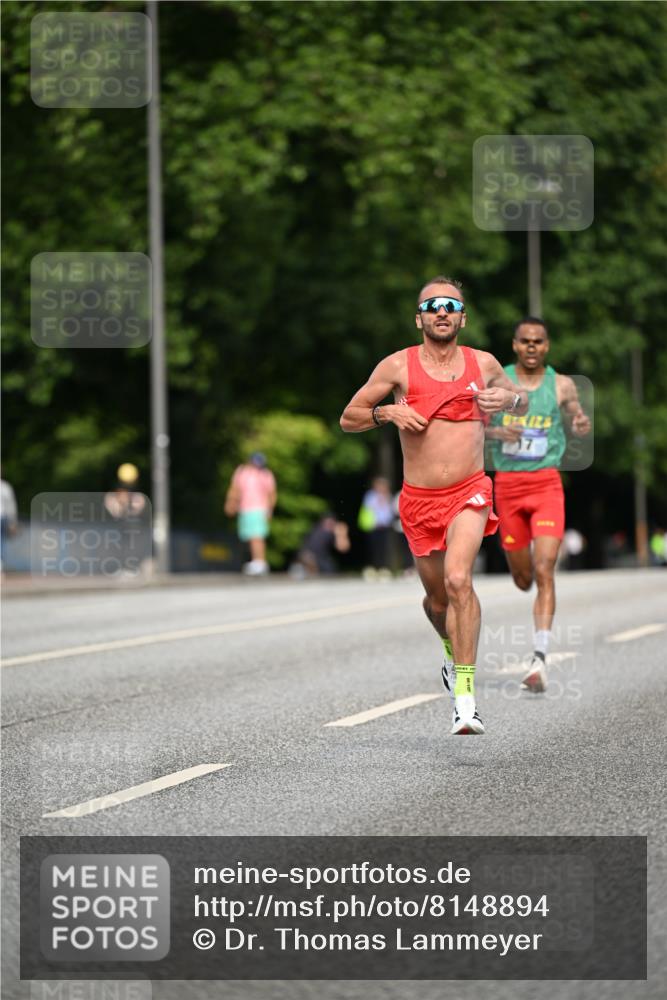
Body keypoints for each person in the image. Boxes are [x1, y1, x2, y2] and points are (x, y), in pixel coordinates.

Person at [340, 276, 528, 735]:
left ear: (462, 317)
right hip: (419, 501)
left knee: (460, 579)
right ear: (419, 317)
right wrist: (388, 412)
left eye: (450, 306)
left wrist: (512, 398)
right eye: (432, 306)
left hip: (470, 490)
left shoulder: (482, 363)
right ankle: (450, 655)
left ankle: (465, 699)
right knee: (437, 600)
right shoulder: (397, 367)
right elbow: (349, 418)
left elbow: (519, 406)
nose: (441, 312)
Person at [486, 317, 591, 692]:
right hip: (509, 487)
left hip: (546, 484)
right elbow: (473, 422)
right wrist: (498, 430)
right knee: (523, 579)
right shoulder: (498, 381)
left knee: (545, 569)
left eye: (539, 341)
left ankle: (539, 659)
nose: (532, 347)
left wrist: (578, 421)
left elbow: (576, 412)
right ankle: (525, 568)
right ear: (515, 344)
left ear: (547, 346)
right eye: (525, 341)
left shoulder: (560, 385)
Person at [224, 452, 277, 575]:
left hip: (259, 508)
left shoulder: (265, 474)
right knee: (249, 536)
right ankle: (256, 560)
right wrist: (231, 502)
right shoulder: (241, 472)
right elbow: (235, 489)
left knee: (257, 536)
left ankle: (260, 562)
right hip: (244, 509)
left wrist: (269, 509)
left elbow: (271, 493)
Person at [291, 513, 350, 577]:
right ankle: (303, 568)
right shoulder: (321, 530)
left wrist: (340, 534)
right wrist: (341, 534)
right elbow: (343, 548)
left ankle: (302, 569)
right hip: (310, 555)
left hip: (314, 556)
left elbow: (343, 548)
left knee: (330, 568)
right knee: (329, 569)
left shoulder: (319, 528)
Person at [358, 476, 394, 576]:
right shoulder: (371, 496)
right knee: (373, 548)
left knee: (383, 548)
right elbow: (369, 508)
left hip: (384, 526)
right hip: (373, 526)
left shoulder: (388, 496)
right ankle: (373, 568)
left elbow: (389, 511)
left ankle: (383, 568)